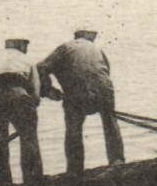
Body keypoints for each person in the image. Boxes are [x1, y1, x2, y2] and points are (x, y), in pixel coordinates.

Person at [39, 28, 126, 176]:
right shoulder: (97, 49)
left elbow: (41, 68)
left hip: (76, 93)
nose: (95, 37)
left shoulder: (65, 47)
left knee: (73, 127)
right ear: (87, 35)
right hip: (104, 91)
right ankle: (117, 161)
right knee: (110, 122)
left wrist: (48, 91)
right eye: (94, 35)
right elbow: (105, 70)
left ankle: (75, 169)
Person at [0, 38, 44, 186]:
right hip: (18, 95)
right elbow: (35, 94)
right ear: (21, 45)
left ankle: (3, 184)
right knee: (29, 139)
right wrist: (31, 105)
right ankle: (33, 183)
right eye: (26, 45)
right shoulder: (26, 59)